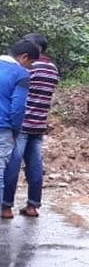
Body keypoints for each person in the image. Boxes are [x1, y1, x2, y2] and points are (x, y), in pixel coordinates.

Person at [4, 34, 58, 218]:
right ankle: (33, 206)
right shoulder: (52, 69)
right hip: (39, 123)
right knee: (35, 164)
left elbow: (18, 95)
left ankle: (6, 206)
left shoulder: (27, 68)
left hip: (22, 123)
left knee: (12, 164)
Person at [0, 39, 39, 219]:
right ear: (24, 57)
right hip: (4, 128)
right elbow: (18, 108)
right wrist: (15, 131)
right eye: (30, 63)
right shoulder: (21, 74)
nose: (30, 67)